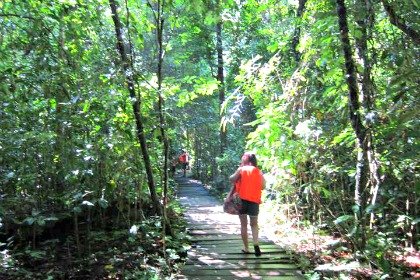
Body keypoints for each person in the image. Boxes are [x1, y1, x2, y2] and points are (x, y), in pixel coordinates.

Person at [228, 152, 265, 256]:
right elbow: (263, 186)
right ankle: (256, 244)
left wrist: (238, 174)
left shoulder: (241, 169)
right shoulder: (259, 172)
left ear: (245, 160)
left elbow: (231, 179)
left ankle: (246, 248)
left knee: (243, 224)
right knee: (254, 224)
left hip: (241, 200)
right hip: (254, 201)